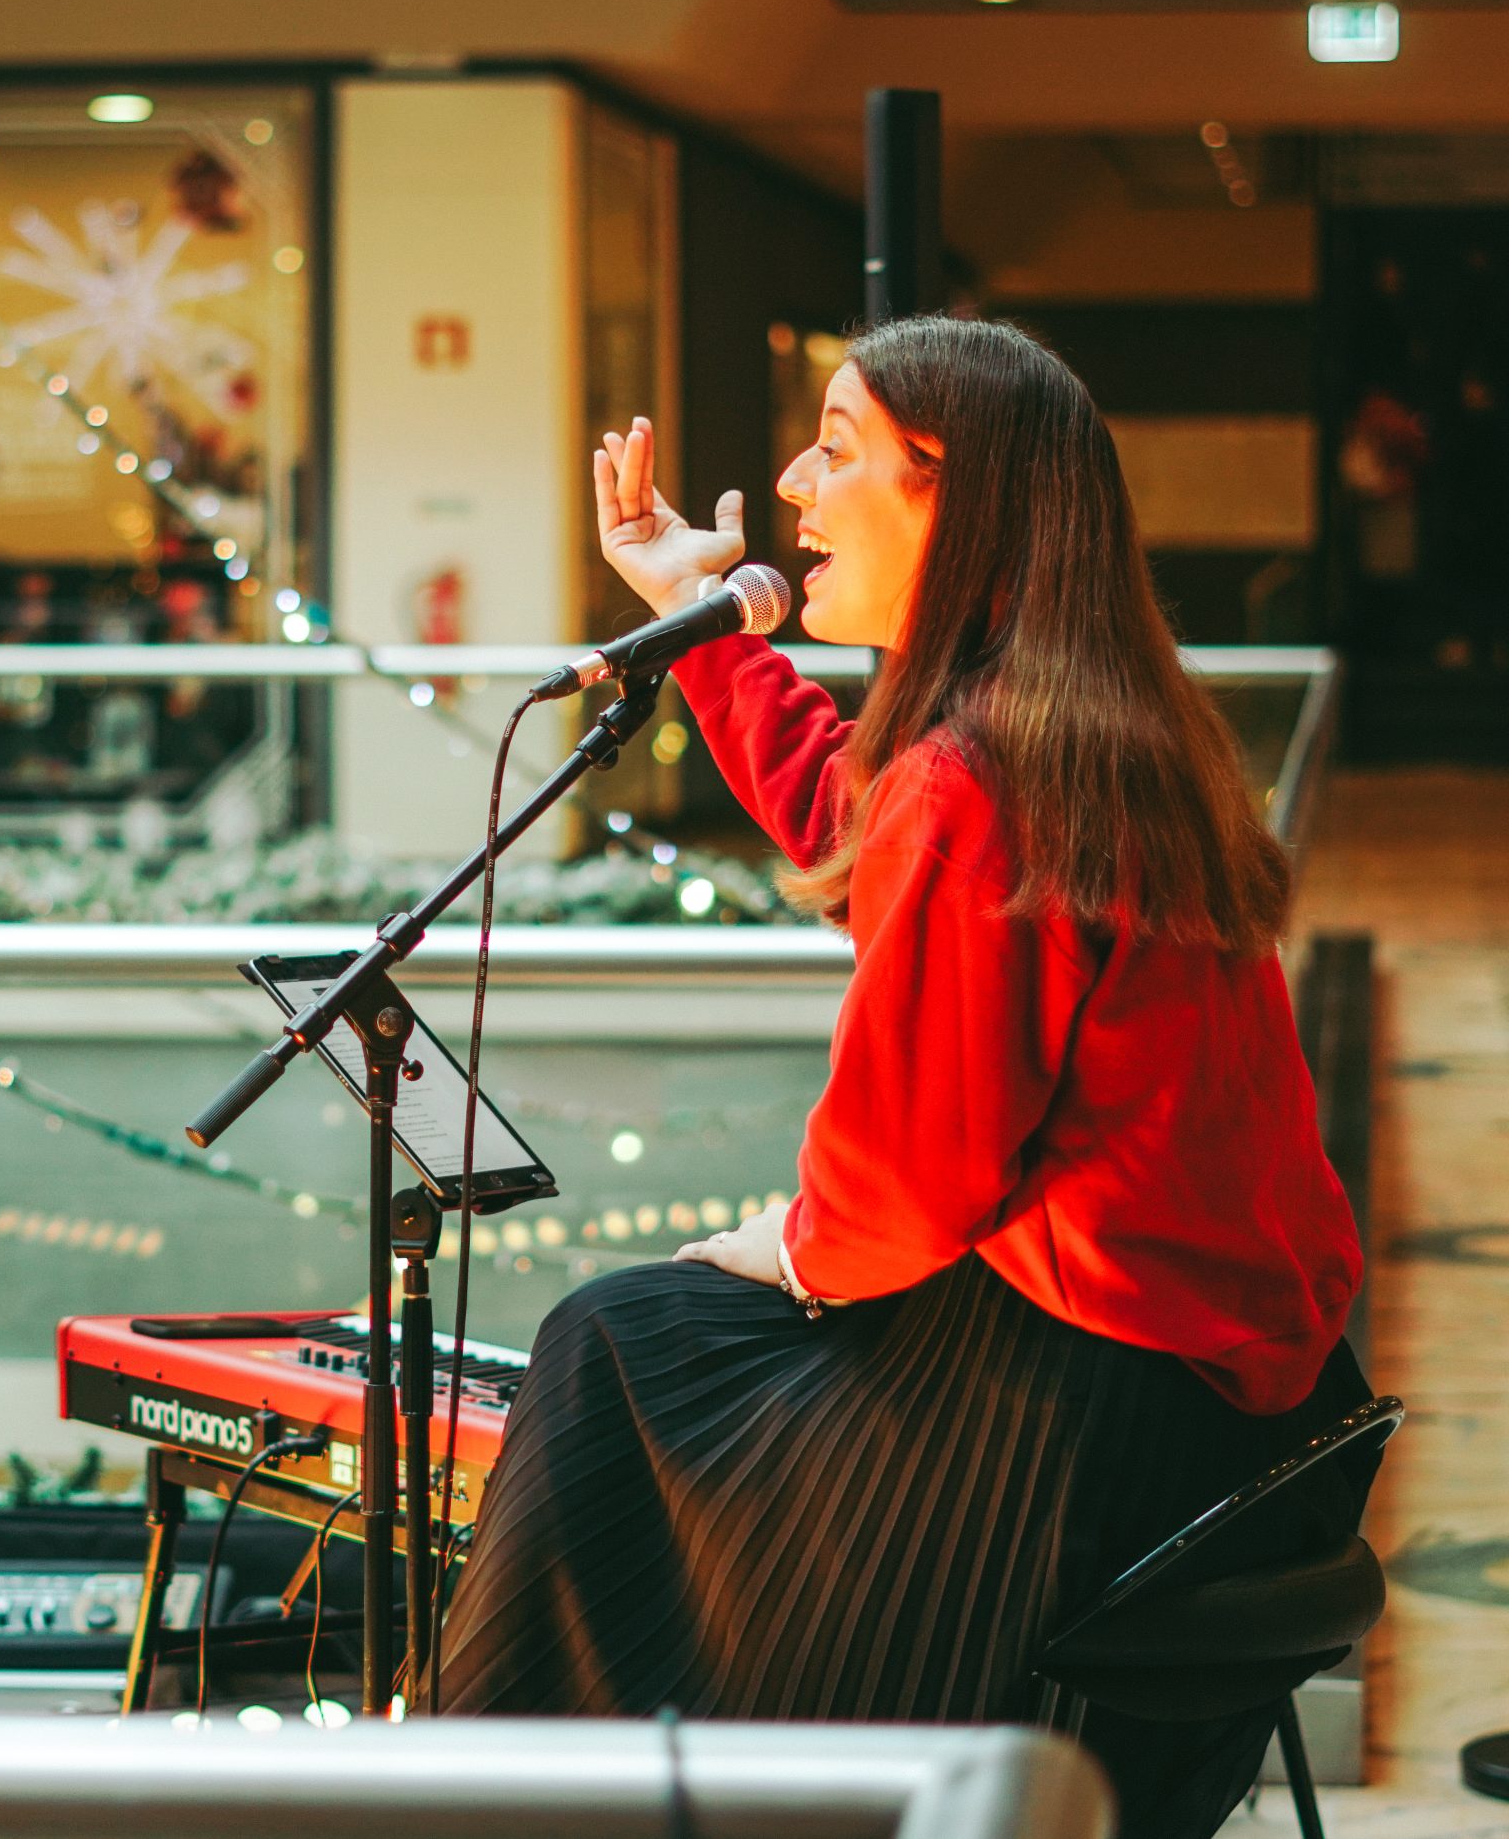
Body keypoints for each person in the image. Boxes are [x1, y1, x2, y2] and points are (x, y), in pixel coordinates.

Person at [437, 317, 1374, 1839]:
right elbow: (853, 817)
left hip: (1082, 1430)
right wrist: (696, 612)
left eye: (838, 446)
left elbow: (907, 1187)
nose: (794, 485)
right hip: (1231, 1410)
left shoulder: (975, 774)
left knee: (609, 1349)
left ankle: (507, 1800)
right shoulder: (1099, 729)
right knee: (634, 1339)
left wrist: (785, 1248)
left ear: (960, 496)